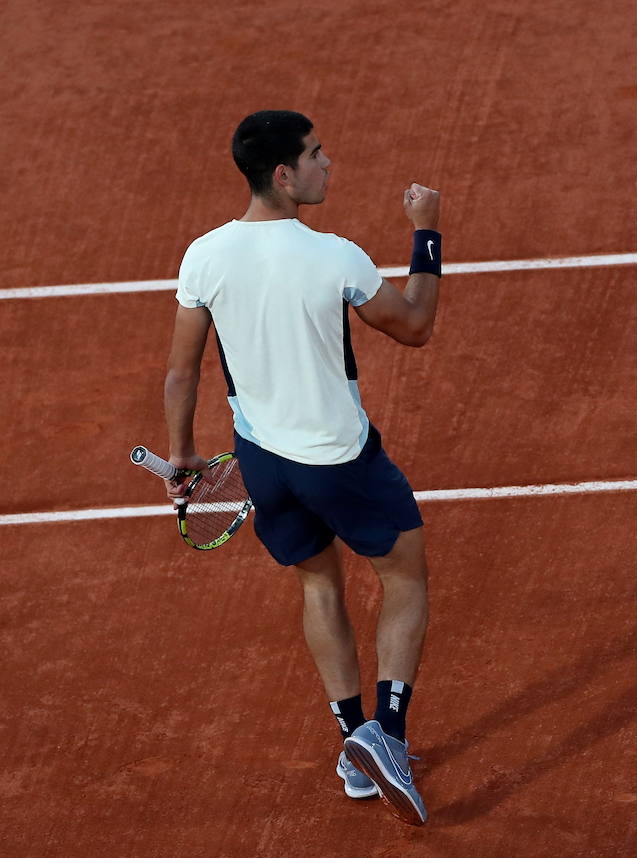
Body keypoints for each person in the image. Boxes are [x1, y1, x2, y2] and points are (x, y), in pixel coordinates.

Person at [162, 109, 441, 826]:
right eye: (317, 154)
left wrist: (183, 454)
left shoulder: (204, 256)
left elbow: (182, 372)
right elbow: (414, 325)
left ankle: (353, 745)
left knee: (320, 587)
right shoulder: (334, 255)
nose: (328, 162)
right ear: (284, 174)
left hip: (262, 463)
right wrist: (427, 233)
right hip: (340, 458)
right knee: (404, 574)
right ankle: (391, 736)